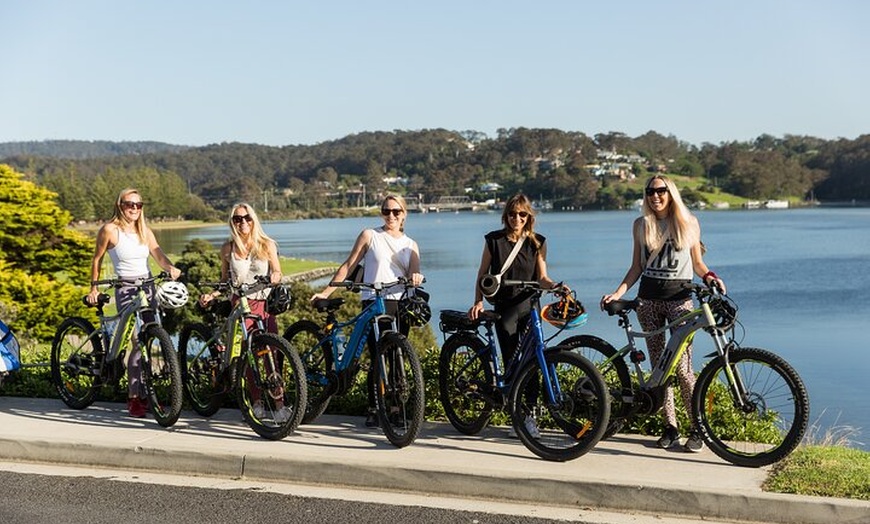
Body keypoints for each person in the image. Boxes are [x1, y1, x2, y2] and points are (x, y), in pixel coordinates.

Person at [600, 175, 726, 452]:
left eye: (660, 191)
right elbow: (636, 267)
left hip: (680, 301)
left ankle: (698, 428)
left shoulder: (689, 222)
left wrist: (711, 278)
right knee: (659, 369)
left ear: (671, 193)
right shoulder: (641, 225)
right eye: (649, 192)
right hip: (648, 301)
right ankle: (671, 426)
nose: (654, 196)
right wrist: (619, 293)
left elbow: (697, 263)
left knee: (683, 369)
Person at [311, 194, 424, 427]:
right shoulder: (370, 235)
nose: (391, 215)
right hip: (374, 299)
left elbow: (414, 272)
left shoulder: (411, 244)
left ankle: (395, 408)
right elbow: (349, 265)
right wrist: (326, 292)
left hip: (399, 301)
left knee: (396, 355)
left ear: (404, 214)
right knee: (377, 355)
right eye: (386, 211)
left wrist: (416, 277)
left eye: (396, 211)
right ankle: (374, 407)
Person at [468, 193, 562, 437]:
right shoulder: (494, 241)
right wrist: (478, 301)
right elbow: (482, 273)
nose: (516, 218)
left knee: (534, 361)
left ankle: (529, 416)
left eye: (522, 214)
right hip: (505, 307)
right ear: (505, 215)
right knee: (512, 361)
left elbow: (542, 277)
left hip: (530, 306)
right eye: (512, 214)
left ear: (528, 216)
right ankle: (516, 415)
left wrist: (555, 287)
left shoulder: (538, 242)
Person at [86, 188, 182, 418]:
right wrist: (94, 288)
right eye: (130, 204)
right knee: (137, 342)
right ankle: (134, 397)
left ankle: (147, 391)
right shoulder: (110, 230)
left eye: (139, 205)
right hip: (126, 288)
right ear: (120, 205)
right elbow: (97, 259)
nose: (135, 209)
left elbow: (158, 255)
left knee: (150, 337)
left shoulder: (144, 231)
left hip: (147, 287)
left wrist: (169, 268)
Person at [199, 203, 289, 422]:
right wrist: (212, 295)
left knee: (270, 354)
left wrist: (275, 277)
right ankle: (256, 403)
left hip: (263, 304)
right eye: (237, 219)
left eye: (247, 218)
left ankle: (280, 404)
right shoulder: (227, 248)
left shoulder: (267, 245)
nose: (243, 223)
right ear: (232, 222)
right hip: (240, 304)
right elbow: (224, 280)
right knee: (248, 356)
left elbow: (277, 271)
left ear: (254, 219)